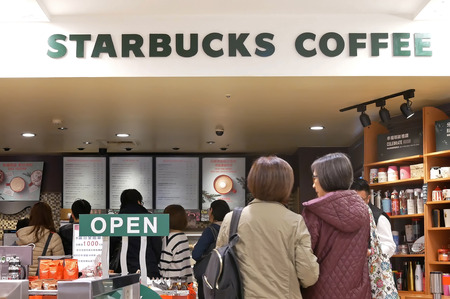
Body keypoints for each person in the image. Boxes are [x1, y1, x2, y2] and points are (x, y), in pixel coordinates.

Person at [216, 155, 319, 299]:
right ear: (287, 185)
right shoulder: (294, 221)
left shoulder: (232, 219)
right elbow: (308, 276)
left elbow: (219, 265)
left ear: (252, 182)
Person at [302, 152, 371, 299]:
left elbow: (305, 259)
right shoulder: (364, 210)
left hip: (319, 292)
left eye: (315, 178)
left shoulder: (313, 212)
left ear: (327, 177)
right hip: (358, 292)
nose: (313, 184)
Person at [110, 189, 162, 278]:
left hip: (124, 270)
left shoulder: (117, 221)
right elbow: (157, 246)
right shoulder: (150, 219)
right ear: (139, 201)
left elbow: (111, 247)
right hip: (148, 268)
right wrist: (152, 261)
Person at [192, 199, 230, 299]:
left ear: (212, 211)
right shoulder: (232, 229)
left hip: (209, 278)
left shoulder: (210, 231)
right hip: (227, 278)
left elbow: (196, 254)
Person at [16, 202, 65, 275]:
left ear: (31, 216)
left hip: (23, 279)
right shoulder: (53, 237)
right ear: (49, 217)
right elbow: (60, 264)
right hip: (44, 282)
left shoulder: (22, 235)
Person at [351, 179, 396, 257]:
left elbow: (389, 246)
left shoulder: (379, 217)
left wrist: (370, 252)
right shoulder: (347, 215)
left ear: (368, 198)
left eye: (361, 200)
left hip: (372, 266)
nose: (356, 203)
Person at [159, 204, 194, 281]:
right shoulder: (183, 236)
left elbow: (163, 265)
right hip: (185, 281)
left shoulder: (169, 238)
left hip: (173, 284)